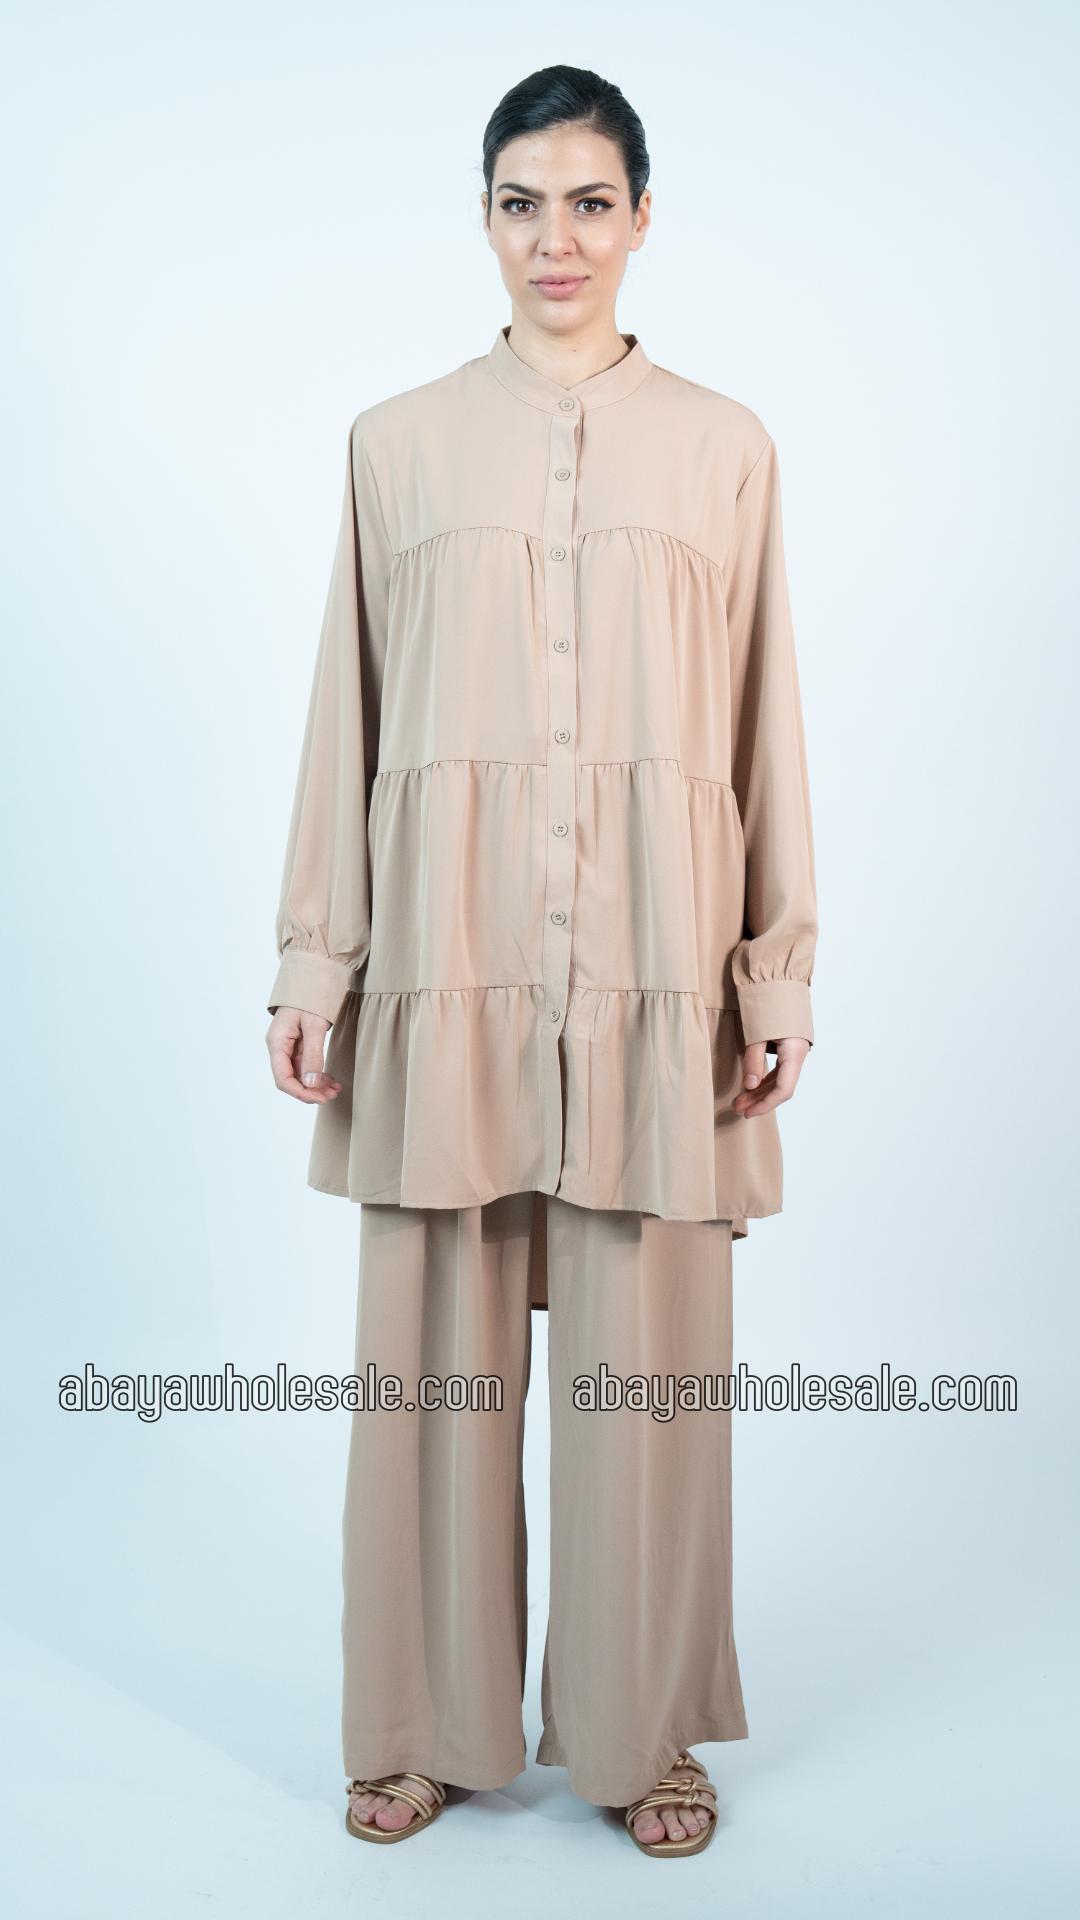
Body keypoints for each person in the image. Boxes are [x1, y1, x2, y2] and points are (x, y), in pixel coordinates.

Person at [265, 63, 818, 1860]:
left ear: (642, 218)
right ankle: (423, 1724)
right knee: (431, 1379)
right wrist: (317, 963)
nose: (555, 238)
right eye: (522, 202)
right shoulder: (397, 444)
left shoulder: (726, 448)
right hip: (450, 962)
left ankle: (642, 1734)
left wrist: (773, 974)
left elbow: (764, 723)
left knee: (645, 1388)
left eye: (589, 202)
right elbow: (347, 717)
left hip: (660, 978)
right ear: (486, 219)